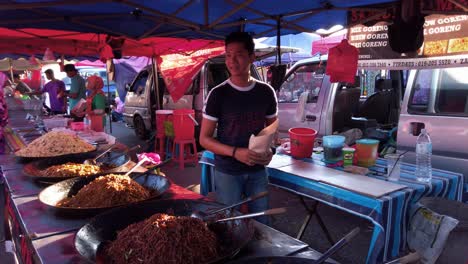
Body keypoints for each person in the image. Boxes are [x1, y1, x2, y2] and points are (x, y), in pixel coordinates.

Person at [199, 32, 278, 225]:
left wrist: (271, 151)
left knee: (261, 222)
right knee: (229, 223)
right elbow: (204, 139)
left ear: (252, 57)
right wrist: (235, 153)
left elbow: (272, 131)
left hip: (258, 170)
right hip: (228, 171)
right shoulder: (218, 95)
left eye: (239, 54)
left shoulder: (266, 92)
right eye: (228, 55)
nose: (232, 61)